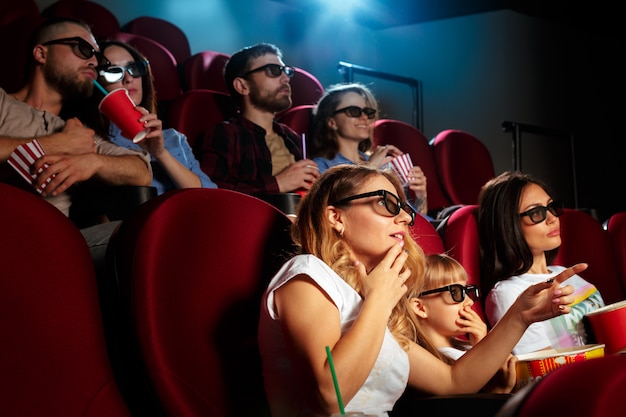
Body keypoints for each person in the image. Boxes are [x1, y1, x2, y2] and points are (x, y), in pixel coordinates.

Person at [258, 164, 584, 417]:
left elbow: (452, 382)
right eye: (387, 203)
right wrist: (379, 300)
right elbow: (330, 398)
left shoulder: (370, 300)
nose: (404, 217)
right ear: (335, 216)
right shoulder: (307, 275)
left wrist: (519, 317)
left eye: (404, 208)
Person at [0, 17, 152, 274]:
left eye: (96, 55)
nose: (93, 61)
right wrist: (57, 144)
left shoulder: (80, 133)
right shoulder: (3, 102)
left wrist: (93, 162)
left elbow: (142, 170)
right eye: (83, 49)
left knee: (156, 234)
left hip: (53, 246)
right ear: (41, 53)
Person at [477, 170, 605, 355]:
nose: (553, 218)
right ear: (508, 224)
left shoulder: (562, 272)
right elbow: (544, 372)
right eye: (536, 213)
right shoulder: (508, 293)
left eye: (551, 207)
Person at [92, 40, 216, 194]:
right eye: (113, 72)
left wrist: (161, 153)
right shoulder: (92, 139)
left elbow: (210, 194)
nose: (128, 78)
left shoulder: (173, 138)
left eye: (133, 68)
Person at [198, 42, 319, 196]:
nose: (285, 79)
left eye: (285, 71)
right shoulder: (226, 133)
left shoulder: (290, 136)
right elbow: (210, 189)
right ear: (242, 86)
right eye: (273, 70)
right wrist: (278, 183)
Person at [309, 83, 428, 216]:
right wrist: (370, 168)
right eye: (354, 111)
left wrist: (421, 195)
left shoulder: (381, 162)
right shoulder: (320, 166)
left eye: (368, 112)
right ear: (332, 121)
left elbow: (412, 216)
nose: (364, 117)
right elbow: (337, 214)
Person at [408, 253, 516, 393]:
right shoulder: (429, 366)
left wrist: (483, 344)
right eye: (456, 292)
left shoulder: (468, 346)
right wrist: (500, 390)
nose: (469, 302)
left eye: (466, 291)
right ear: (420, 308)